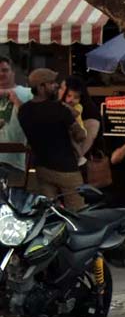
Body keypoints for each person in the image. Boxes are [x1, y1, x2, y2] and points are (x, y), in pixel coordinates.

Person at [17, 68, 85, 211]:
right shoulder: (60, 109)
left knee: (50, 213)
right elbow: (80, 136)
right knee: (78, 212)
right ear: (41, 87)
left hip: (42, 169)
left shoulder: (24, 111)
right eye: (52, 83)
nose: (56, 86)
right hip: (67, 170)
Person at [0, 55, 33, 171]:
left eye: (5, 70)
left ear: (13, 72)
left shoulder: (27, 93)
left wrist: (17, 101)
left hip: (15, 162)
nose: (1, 74)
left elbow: (34, 118)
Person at [61, 76, 101, 167]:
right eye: (69, 95)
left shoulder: (85, 110)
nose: (71, 99)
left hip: (79, 139)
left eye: (75, 97)